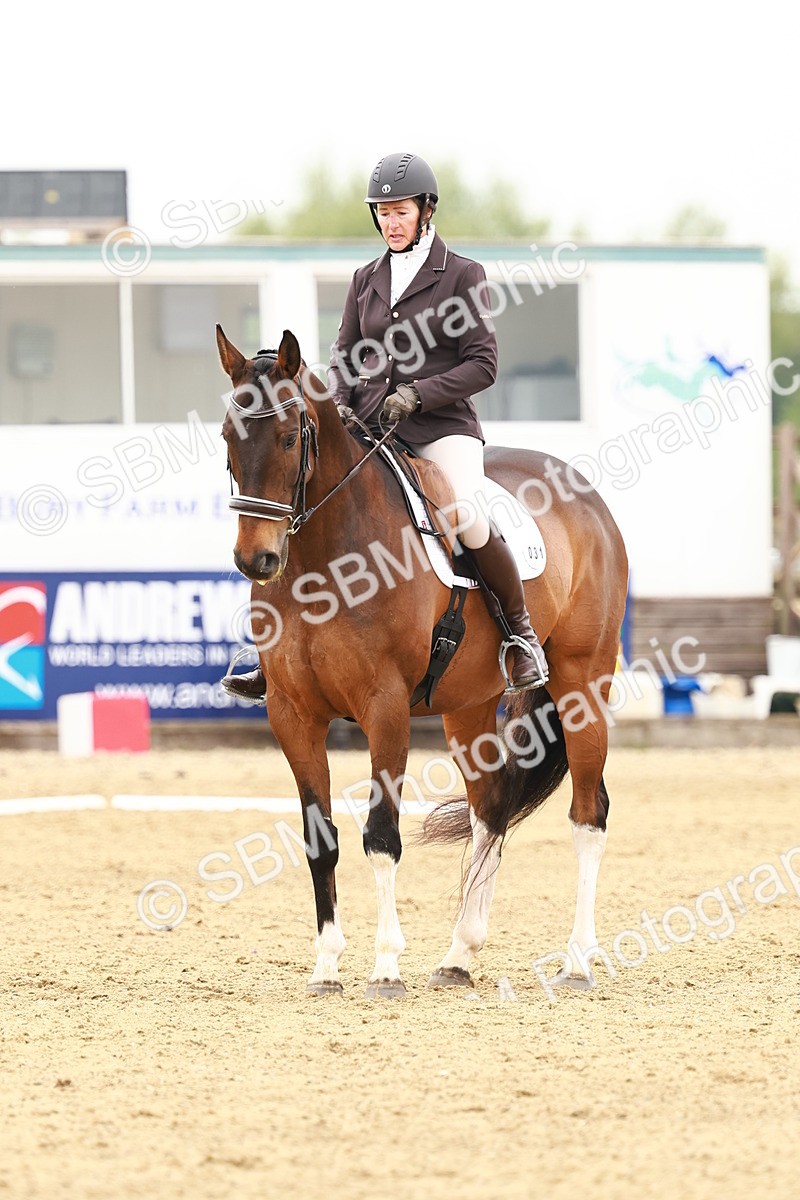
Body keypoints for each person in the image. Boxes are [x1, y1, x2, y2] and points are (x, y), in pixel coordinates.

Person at [222, 151, 548, 703]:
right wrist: (343, 406)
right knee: (306, 507)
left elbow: (483, 363)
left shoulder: (463, 274)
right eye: (383, 213)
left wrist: (418, 395)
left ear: (425, 211)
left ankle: (520, 633)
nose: (390, 223)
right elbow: (344, 354)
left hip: (442, 429)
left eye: (400, 212)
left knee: (465, 513)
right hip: (370, 428)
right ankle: (274, 651)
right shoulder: (366, 278)